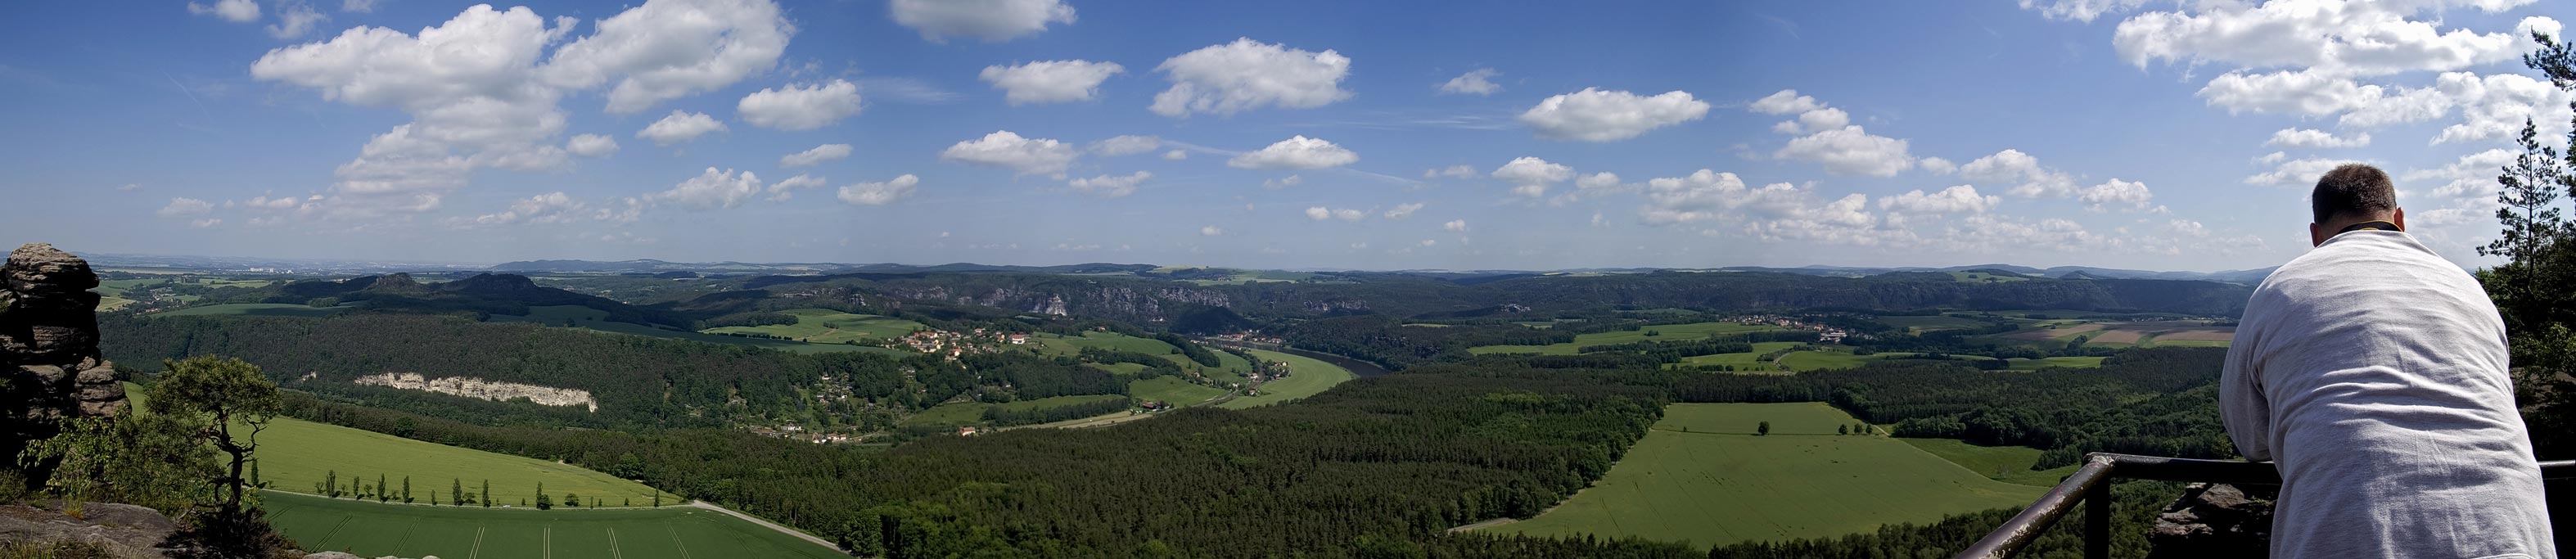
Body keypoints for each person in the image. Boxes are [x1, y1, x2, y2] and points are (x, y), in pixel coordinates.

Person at [2222, 163, 2553, 557]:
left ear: (2316, 236)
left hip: (2349, 533)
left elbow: (2250, 437)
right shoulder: (2468, 288)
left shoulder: (2278, 290)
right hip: (2507, 528)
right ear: (2399, 220)